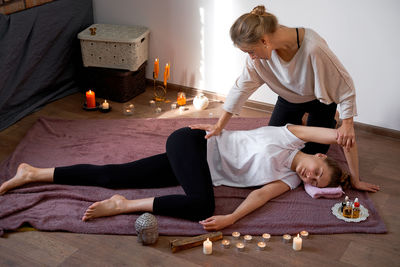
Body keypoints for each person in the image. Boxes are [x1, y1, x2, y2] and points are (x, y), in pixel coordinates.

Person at [0, 124, 379, 231]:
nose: (309, 176)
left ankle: (34, 172)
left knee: (114, 174)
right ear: (317, 156)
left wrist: (232, 218)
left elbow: (259, 198)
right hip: (191, 143)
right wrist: (355, 175)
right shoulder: (290, 134)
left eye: (314, 181)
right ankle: (124, 207)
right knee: (200, 203)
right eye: (316, 170)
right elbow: (342, 137)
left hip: (193, 165)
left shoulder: (292, 180)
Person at [206, 5, 358, 154]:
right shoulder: (257, 59)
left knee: (310, 154)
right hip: (289, 99)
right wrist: (219, 126)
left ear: (264, 40)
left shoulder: (314, 48)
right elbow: (241, 88)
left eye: (251, 51)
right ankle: (303, 120)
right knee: (273, 147)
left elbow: (346, 87)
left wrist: (347, 124)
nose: (251, 57)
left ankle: (332, 119)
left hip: (321, 102)